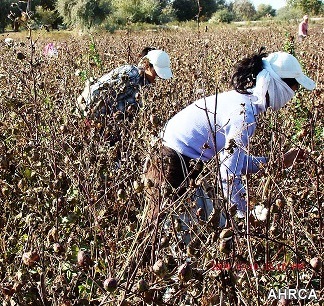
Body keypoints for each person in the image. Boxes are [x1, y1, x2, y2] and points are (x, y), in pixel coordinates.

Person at [145, 50, 316, 223]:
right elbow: (228, 173)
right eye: (294, 89)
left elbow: (236, 162)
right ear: (280, 86)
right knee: (163, 232)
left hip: (176, 159)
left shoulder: (242, 101)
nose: (292, 96)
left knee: (212, 223)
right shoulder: (244, 114)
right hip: (170, 164)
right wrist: (245, 214)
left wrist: (277, 162)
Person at [76, 47, 172, 118]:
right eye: (157, 72)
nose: (159, 77)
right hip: (92, 116)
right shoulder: (132, 75)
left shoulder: (144, 84)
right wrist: (90, 115)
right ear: (147, 66)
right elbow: (97, 91)